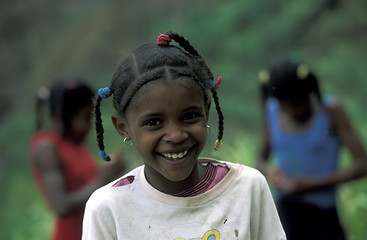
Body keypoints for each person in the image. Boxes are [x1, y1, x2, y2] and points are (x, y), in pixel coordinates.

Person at [81, 31, 286, 240]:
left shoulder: (246, 188)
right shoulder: (108, 209)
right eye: (153, 122)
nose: (176, 135)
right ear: (123, 127)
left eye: (189, 116)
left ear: (206, 111)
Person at [256, 60, 367, 240]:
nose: (293, 111)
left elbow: (363, 165)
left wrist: (310, 184)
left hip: (323, 214)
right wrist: (271, 172)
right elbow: (260, 162)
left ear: (310, 94)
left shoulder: (330, 111)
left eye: (297, 103)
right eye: (286, 105)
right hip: (285, 212)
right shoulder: (272, 111)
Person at [29, 78, 126, 240]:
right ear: (63, 114)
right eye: (85, 118)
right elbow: (61, 206)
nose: (89, 126)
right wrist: (102, 180)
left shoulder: (75, 144)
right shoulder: (46, 147)